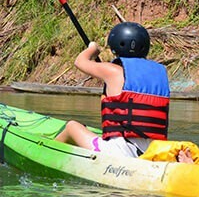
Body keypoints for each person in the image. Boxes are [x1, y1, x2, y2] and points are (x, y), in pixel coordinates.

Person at [54, 22, 170, 158]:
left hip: (119, 153)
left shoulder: (112, 70)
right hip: (153, 153)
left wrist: (92, 49)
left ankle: (47, 156)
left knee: (72, 126)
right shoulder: (159, 73)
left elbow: (80, 62)